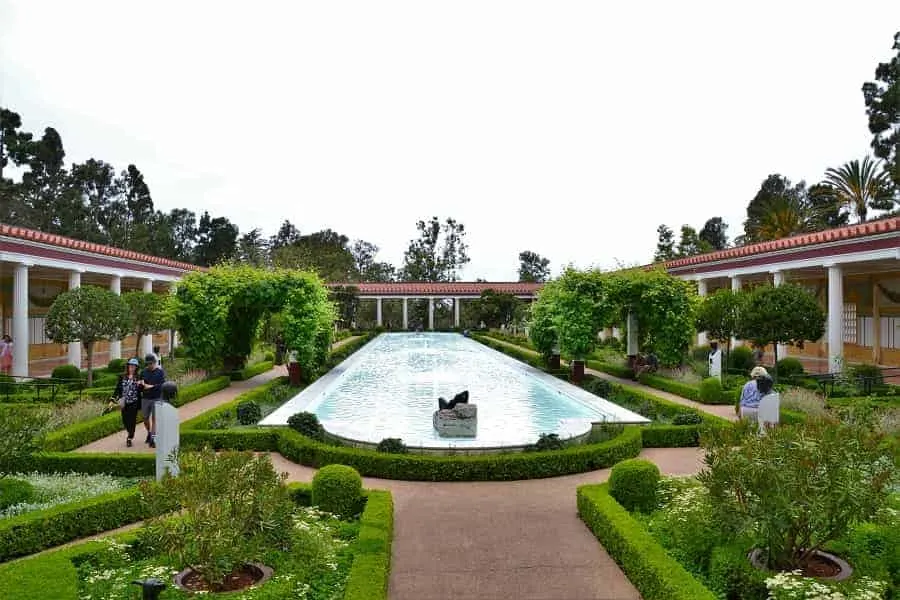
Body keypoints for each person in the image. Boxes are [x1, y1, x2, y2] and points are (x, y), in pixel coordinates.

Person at [114, 358, 143, 447]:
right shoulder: (122, 376)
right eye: (130, 366)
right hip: (124, 402)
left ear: (136, 367)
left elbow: (141, 389)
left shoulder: (138, 377)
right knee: (125, 420)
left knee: (132, 419)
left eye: (134, 366)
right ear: (128, 366)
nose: (132, 367)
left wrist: (140, 385)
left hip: (134, 401)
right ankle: (129, 432)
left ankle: (130, 436)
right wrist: (113, 398)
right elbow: (118, 389)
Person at [140, 353, 166, 448]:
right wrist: (141, 384)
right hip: (145, 398)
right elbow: (140, 383)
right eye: (148, 363)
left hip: (157, 398)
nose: (149, 365)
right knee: (145, 418)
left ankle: (153, 439)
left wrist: (152, 386)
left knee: (154, 419)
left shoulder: (160, 372)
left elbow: (162, 385)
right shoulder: (143, 372)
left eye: (151, 363)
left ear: (154, 362)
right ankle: (149, 432)